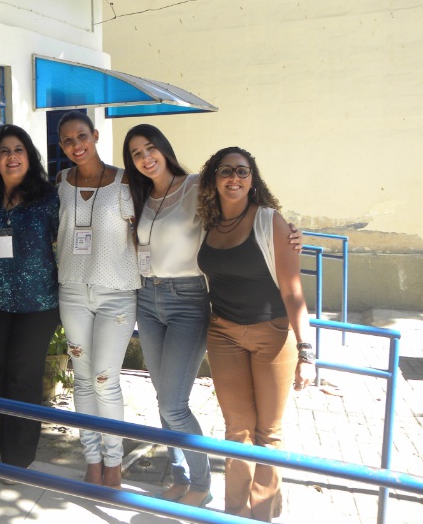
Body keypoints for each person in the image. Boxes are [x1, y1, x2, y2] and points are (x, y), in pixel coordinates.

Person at [197, 146, 315, 522]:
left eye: (242, 171)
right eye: (225, 170)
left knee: (268, 432)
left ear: (252, 180)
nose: (234, 177)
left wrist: (306, 352)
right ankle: (234, 514)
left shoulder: (269, 221)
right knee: (237, 429)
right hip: (223, 335)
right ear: (213, 179)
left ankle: (262, 514)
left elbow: (293, 291)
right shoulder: (207, 222)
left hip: (273, 336)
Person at [122, 124, 212, 507]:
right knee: (163, 398)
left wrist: (283, 231)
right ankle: (179, 476)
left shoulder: (196, 186)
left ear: (163, 148)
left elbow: (242, 209)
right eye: (136, 154)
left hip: (187, 300)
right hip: (147, 297)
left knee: (175, 404)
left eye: (150, 148)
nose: (146, 158)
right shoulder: (143, 196)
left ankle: (203, 484)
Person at [55, 111, 140, 489]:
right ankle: (92, 459)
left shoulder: (125, 182)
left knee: (106, 380)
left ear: (95, 135)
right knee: (83, 381)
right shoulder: (60, 183)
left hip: (116, 294)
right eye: (68, 140)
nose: (76, 145)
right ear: (61, 145)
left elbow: (146, 229)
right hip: (73, 291)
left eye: (82, 136)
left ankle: (114, 462)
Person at [0, 125, 60, 476]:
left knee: (24, 377)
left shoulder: (48, 197)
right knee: (7, 375)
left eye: (18, 150)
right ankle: (9, 450)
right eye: (4, 151)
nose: (12, 157)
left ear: (29, 156)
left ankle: (18, 460)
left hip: (38, 302)